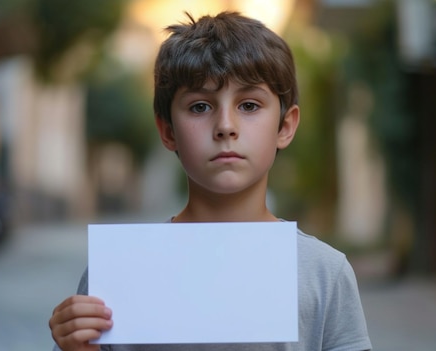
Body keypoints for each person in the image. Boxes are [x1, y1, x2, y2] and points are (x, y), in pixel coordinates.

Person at [49, 11, 372, 351]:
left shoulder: (325, 273)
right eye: (200, 107)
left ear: (285, 126)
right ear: (168, 131)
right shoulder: (114, 278)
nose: (225, 126)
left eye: (248, 105)